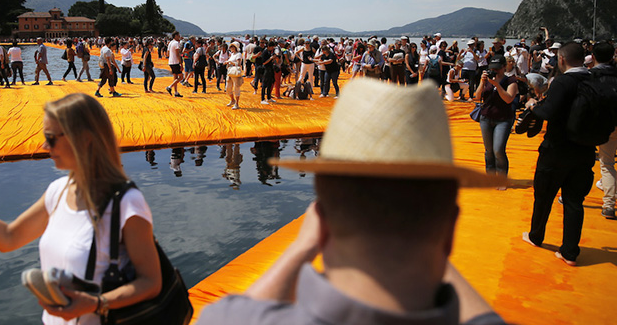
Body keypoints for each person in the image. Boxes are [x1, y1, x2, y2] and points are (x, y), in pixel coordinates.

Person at [198, 78, 507, 325]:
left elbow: (244, 312)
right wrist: (428, 237)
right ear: (449, 229)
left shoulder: (223, 318)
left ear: (321, 223)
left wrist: (299, 249)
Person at [0, 93, 162, 325]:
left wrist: (97, 303)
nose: (44, 146)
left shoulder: (126, 203)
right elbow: (8, 238)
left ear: (84, 138)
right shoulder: (58, 191)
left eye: (51, 137)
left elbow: (151, 283)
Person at [522, 42, 595, 266]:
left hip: (557, 148)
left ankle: (536, 236)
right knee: (574, 201)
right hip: (585, 150)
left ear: (561, 60)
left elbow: (549, 112)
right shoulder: (594, 80)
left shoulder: (563, 82)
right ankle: (570, 252)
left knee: (544, 196)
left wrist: (533, 105)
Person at [473, 55, 517, 184]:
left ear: (504, 67)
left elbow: (508, 99)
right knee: (489, 151)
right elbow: (477, 96)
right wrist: (482, 82)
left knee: (498, 150)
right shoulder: (486, 80)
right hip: (486, 117)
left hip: (503, 119)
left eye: (497, 69)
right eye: (492, 68)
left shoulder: (511, 81)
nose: (494, 71)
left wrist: (497, 85)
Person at [590, 42, 617, 219]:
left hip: (598, 124)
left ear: (593, 56)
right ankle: (608, 204)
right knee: (607, 164)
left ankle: (608, 204)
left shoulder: (589, 76)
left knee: (600, 164)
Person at [225, 42, 244, 109]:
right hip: (230, 72)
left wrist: (230, 62)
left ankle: (237, 103)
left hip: (235, 72)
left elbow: (238, 63)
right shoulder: (232, 54)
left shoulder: (238, 54)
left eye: (233, 47)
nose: (231, 48)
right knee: (228, 87)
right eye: (231, 47)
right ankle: (232, 100)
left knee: (236, 88)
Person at [166, 31, 184, 98]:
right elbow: (177, 54)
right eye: (178, 35)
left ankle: (176, 92)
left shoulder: (170, 43)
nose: (179, 37)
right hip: (175, 62)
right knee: (181, 77)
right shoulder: (176, 43)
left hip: (171, 62)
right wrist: (181, 63)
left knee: (175, 77)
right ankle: (169, 87)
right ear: (175, 36)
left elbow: (167, 53)